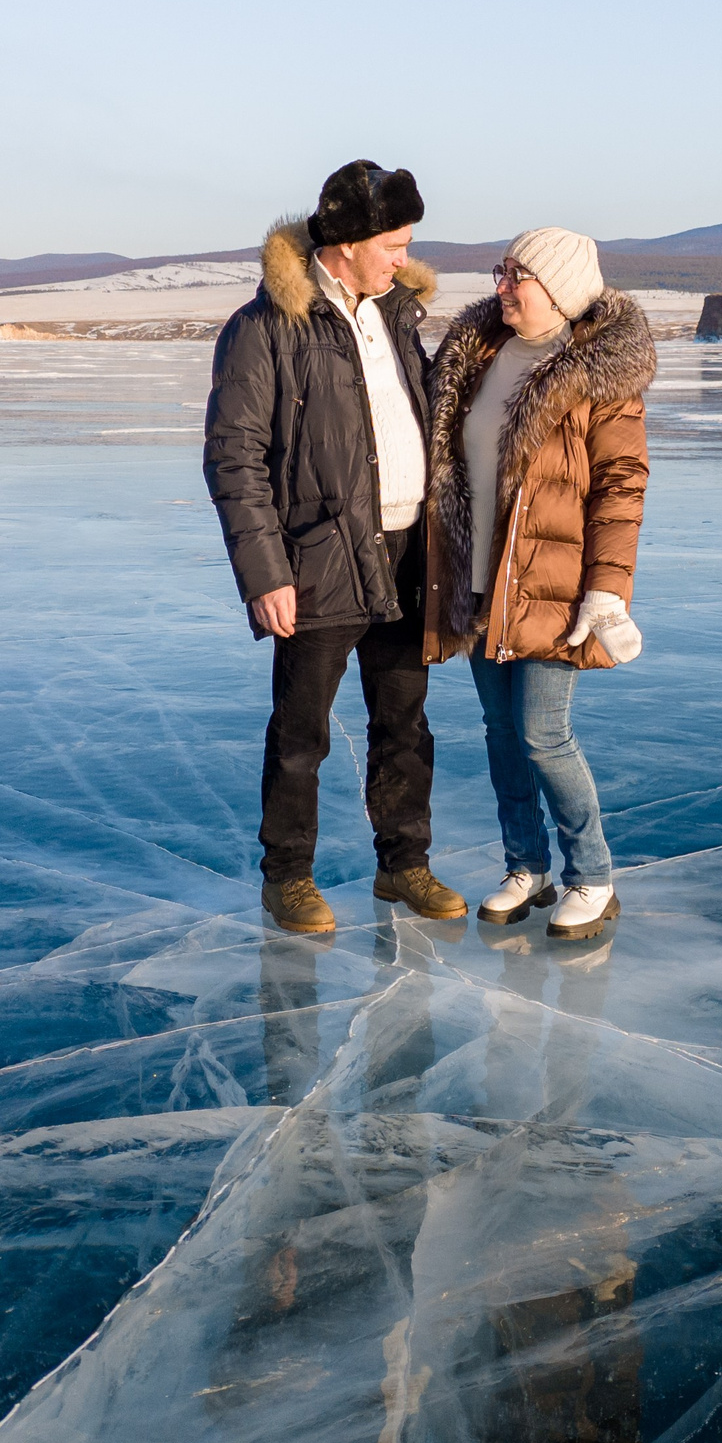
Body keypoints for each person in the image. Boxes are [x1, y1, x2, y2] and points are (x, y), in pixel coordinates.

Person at [204, 160, 470, 935]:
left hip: (406, 549)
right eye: (392, 242)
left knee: (404, 722)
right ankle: (287, 876)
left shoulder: (396, 314)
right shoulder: (266, 329)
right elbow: (236, 459)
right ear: (347, 242)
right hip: (317, 556)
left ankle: (404, 864)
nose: (403, 257)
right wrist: (265, 574)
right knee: (301, 733)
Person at [423, 227, 653, 942]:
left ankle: (592, 876)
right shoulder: (479, 355)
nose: (499, 287)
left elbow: (621, 488)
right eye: (499, 271)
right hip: (480, 582)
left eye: (513, 275)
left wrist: (607, 589)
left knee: (542, 734)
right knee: (499, 734)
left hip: (554, 584)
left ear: (555, 288)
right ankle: (527, 866)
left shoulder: (599, 374)